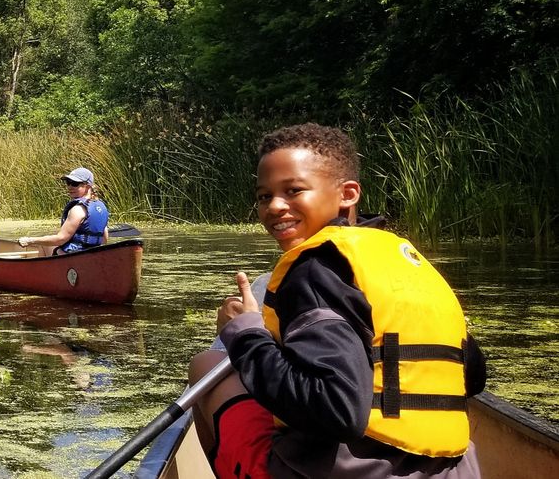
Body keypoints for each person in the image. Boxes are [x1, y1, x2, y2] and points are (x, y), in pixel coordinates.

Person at [188, 123, 485, 478]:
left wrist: (244, 334)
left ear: (348, 193)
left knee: (206, 365)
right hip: (450, 471)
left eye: (293, 190)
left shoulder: (312, 270)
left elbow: (338, 412)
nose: (275, 207)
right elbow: (473, 378)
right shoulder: (407, 263)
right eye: (264, 196)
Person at [17, 167, 108, 254]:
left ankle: (44, 269)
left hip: (73, 256)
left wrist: (30, 240)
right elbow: (104, 240)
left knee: (42, 245)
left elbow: (61, 239)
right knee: (47, 244)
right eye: (68, 182)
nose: (70, 187)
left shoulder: (78, 209)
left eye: (75, 184)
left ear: (88, 186)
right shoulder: (101, 207)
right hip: (92, 255)